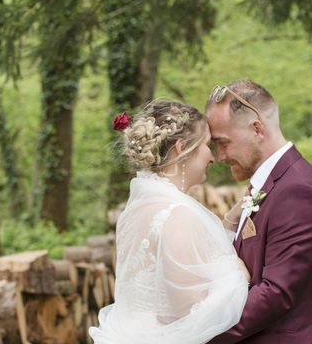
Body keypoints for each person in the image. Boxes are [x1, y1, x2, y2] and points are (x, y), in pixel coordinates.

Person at [89, 99, 250, 344]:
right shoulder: (176, 213)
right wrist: (238, 277)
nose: (213, 157)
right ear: (181, 148)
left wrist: (229, 220)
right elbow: (184, 313)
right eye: (207, 144)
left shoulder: (138, 209)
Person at [205, 79, 312, 344]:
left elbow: (276, 293)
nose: (219, 157)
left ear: (257, 130)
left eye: (223, 143)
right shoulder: (271, 182)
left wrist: (200, 332)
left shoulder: (298, 190)